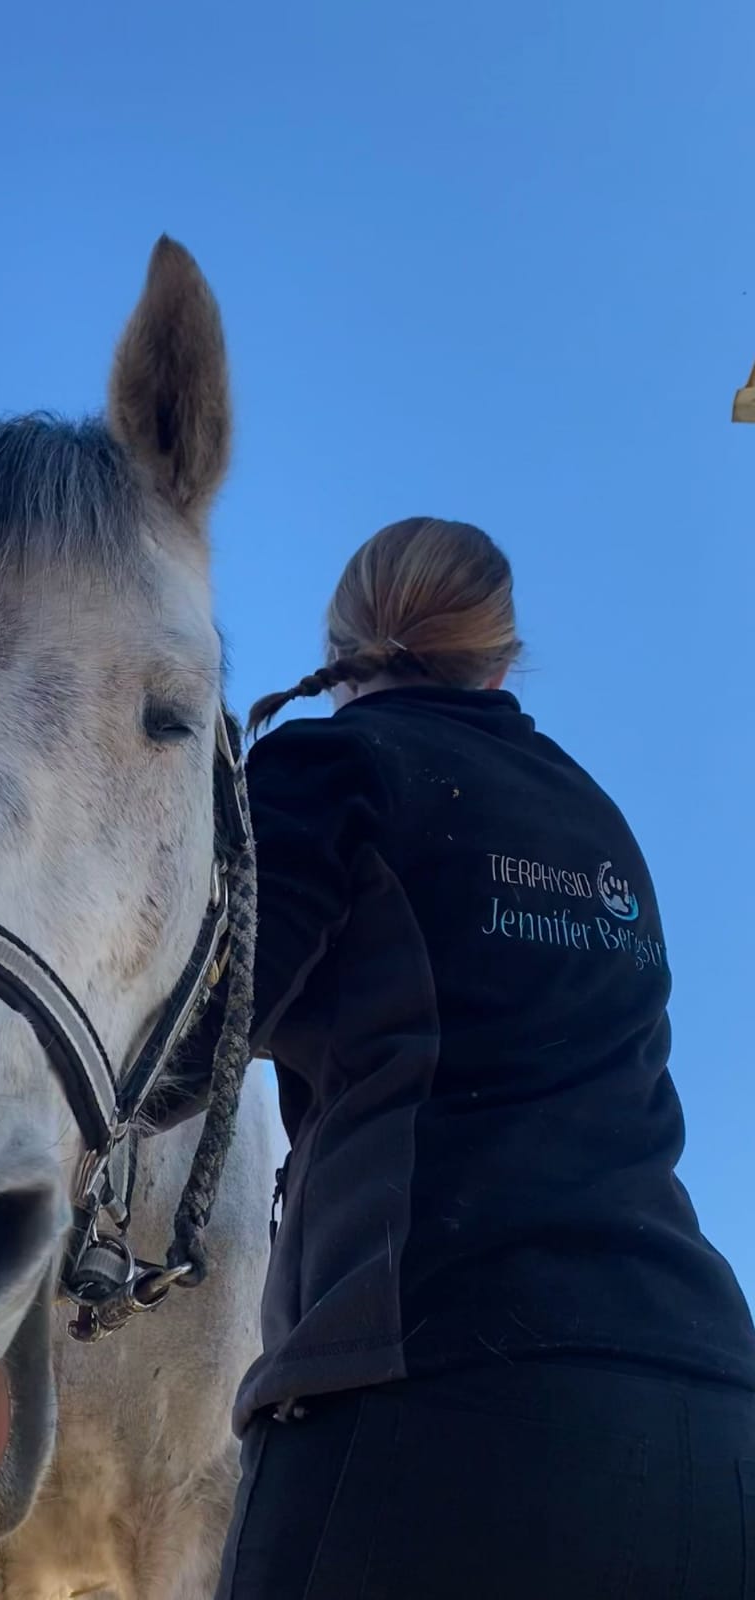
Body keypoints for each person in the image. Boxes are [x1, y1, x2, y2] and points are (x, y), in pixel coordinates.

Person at [165, 518, 755, 1598]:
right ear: (502, 653)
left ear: (341, 648)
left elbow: (189, 1043)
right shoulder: (600, 822)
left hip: (423, 1402)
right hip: (714, 1416)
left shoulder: (331, 765)